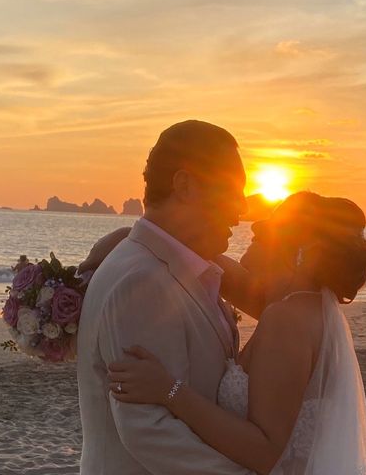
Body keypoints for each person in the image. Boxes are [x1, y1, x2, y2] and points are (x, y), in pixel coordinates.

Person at [107, 193, 366, 474]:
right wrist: (130, 239)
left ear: (296, 251)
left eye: (261, 237)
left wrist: (169, 390)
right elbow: (190, 255)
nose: (250, 239)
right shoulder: (302, 306)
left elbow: (266, 452)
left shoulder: (287, 319)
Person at [76, 120, 253, 475]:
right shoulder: (141, 281)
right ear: (185, 185)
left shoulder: (172, 266)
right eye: (232, 190)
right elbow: (149, 432)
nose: (242, 208)